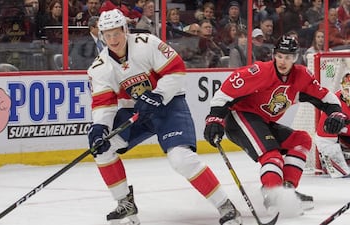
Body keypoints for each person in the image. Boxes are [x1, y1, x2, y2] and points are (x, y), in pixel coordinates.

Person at [87, 8, 242, 225]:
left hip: (169, 105)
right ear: (101, 35)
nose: (113, 39)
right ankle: (125, 204)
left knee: (181, 159)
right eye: (108, 34)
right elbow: (104, 103)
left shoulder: (146, 43)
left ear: (125, 29)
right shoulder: (100, 67)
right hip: (135, 112)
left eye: (117, 32)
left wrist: (158, 95)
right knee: (102, 148)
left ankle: (226, 206)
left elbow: (176, 70)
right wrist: (99, 127)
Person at [203, 35, 347, 216]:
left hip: (263, 122)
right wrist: (214, 119)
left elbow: (325, 97)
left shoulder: (301, 76)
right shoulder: (259, 72)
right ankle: (272, 194)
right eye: (279, 56)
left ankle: (286, 192)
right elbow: (225, 92)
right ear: (274, 55)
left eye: (288, 57)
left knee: (300, 140)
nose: (283, 61)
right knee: (272, 155)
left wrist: (336, 113)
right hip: (240, 117)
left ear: (295, 58)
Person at [315, 73, 350, 178]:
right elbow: (323, 139)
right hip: (343, 139)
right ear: (342, 89)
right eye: (347, 90)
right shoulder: (333, 104)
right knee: (340, 172)